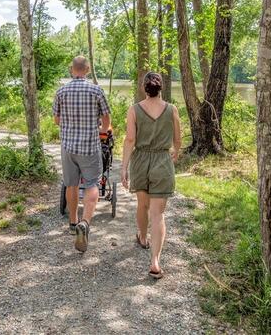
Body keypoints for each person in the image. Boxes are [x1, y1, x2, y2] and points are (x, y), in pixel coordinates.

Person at [121, 72, 181, 279]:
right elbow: (178, 140)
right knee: (158, 214)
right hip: (162, 161)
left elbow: (130, 140)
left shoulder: (134, 110)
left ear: (143, 88)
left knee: (142, 205)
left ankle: (143, 238)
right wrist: (174, 154)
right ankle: (155, 261)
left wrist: (124, 167)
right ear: (161, 87)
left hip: (140, 162)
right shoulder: (172, 109)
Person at [53, 56, 111, 253]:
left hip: (68, 147)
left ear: (72, 70)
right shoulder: (96, 90)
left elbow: (56, 120)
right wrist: (102, 129)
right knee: (92, 183)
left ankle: (72, 222)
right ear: (87, 69)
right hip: (89, 146)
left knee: (71, 184)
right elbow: (106, 119)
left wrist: (70, 127)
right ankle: (85, 222)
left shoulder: (61, 91)